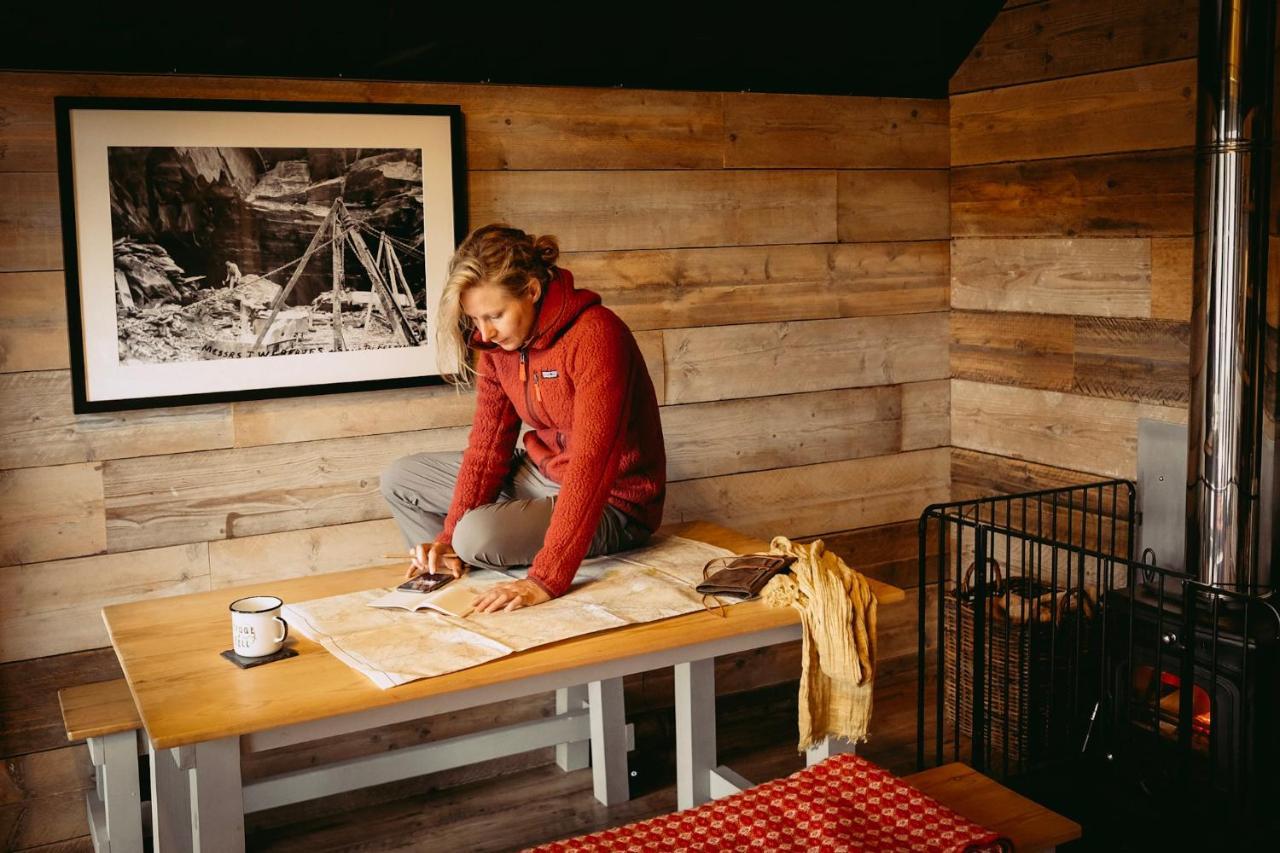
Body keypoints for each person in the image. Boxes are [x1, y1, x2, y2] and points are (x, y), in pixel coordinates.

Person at [380, 224, 666, 614]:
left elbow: (591, 464)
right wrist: (445, 540)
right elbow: (486, 449)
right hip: (540, 477)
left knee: (475, 536)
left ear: (531, 291)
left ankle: (485, 567)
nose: (485, 332)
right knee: (401, 479)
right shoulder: (498, 348)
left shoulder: (596, 335)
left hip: (613, 502)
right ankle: (444, 578)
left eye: (495, 315)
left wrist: (545, 579)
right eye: (475, 319)